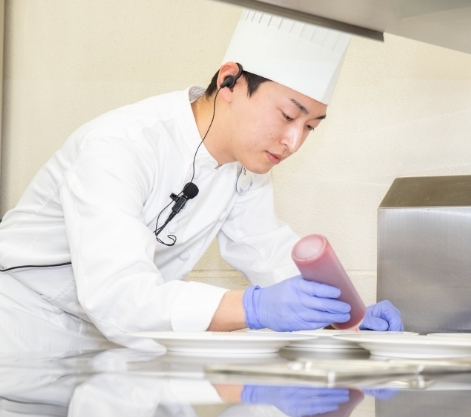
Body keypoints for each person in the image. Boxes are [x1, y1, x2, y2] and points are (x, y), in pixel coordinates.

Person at [0, 9, 403, 352]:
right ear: (230, 81)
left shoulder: (245, 169)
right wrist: (253, 308)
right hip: (21, 330)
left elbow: (268, 253)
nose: (293, 141)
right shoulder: (121, 146)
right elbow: (119, 298)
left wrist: (347, 315)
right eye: (287, 116)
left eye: (311, 127)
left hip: (112, 342)